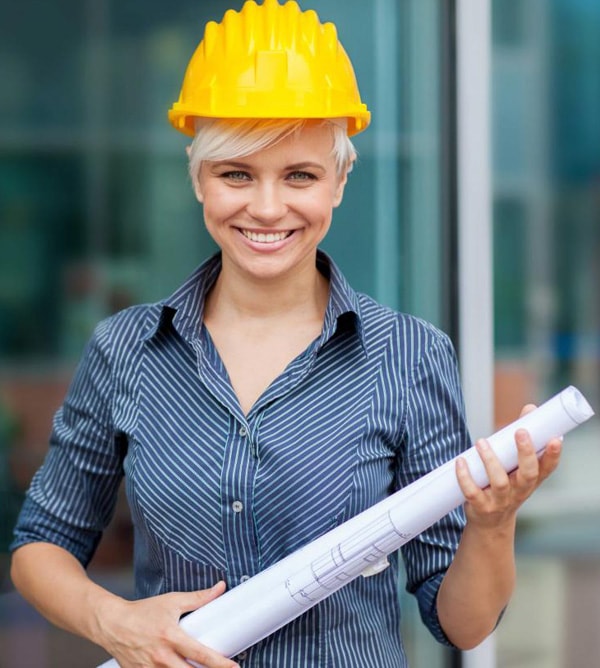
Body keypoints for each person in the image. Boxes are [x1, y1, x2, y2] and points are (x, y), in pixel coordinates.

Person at [9, 1, 562, 666]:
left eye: (299, 175)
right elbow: (40, 548)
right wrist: (112, 622)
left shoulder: (409, 357)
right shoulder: (126, 352)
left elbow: (463, 625)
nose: (267, 208)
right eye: (236, 173)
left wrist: (492, 525)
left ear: (339, 181)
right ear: (197, 176)